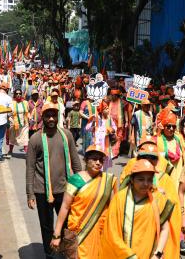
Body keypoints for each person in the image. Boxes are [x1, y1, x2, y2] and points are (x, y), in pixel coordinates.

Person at [26, 102, 82, 259]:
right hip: (42, 191)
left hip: (65, 189)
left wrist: (83, 185)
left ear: (58, 117)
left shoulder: (67, 135)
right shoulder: (35, 139)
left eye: (53, 115)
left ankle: (65, 252)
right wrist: (30, 193)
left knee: (67, 225)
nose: (51, 118)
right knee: (46, 226)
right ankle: (49, 254)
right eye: (47, 115)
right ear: (42, 117)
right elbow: (30, 167)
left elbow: (76, 161)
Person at [50, 145, 117, 258]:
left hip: (101, 232)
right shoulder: (75, 180)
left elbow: (113, 208)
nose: (98, 163)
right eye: (94, 159)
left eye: (101, 160)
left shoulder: (108, 181)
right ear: (85, 160)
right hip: (79, 233)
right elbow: (65, 206)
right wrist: (56, 234)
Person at [119, 138, 181, 259]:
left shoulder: (165, 179)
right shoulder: (131, 175)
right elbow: (120, 202)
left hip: (154, 231)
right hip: (132, 229)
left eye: (153, 157)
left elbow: (172, 214)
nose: (149, 160)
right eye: (145, 157)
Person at [101, 159, 174, 259]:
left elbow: (165, 229)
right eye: (141, 179)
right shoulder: (119, 199)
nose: (145, 184)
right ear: (131, 179)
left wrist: (158, 253)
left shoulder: (158, 199)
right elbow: (111, 232)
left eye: (149, 179)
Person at [157, 109, 185, 188]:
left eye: (173, 126)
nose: (171, 129)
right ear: (163, 127)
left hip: (179, 180)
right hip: (164, 181)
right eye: (168, 126)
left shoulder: (179, 138)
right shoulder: (158, 140)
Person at [86, 100, 117, 170]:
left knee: (104, 163)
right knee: (96, 163)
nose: (108, 110)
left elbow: (114, 127)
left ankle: (103, 177)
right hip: (96, 144)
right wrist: (92, 121)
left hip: (106, 144)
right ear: (101, 110)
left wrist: (112, 130)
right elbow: (87, 128)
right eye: (106, 109)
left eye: (108, 108)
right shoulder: (96, 118)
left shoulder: (109, 118)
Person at [8, 88, 29, 155]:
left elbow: (27, 112)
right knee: (13, 139)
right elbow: (9, 114)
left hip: (24, 125)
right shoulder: (11, 103)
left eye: (20, 93)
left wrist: (30, 118)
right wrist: (12, 122)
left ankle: (27, 153)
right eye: (17, 93)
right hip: (14, 124)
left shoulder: (25, 102)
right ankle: (10, 151)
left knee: (25, 139)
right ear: (14, 95)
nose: (18, 95)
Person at [108, 89, 127, 158]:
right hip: (110, 123)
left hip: (119, 123)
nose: (112, 96)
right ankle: (110, 152)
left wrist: (127, 121)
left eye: (113, 95)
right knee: (111, 137)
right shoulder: (110, 102)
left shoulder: (122, 102)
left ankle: (114, 153)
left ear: (117, 96)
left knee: (118, 137)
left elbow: (125, 112)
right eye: (111, 95)